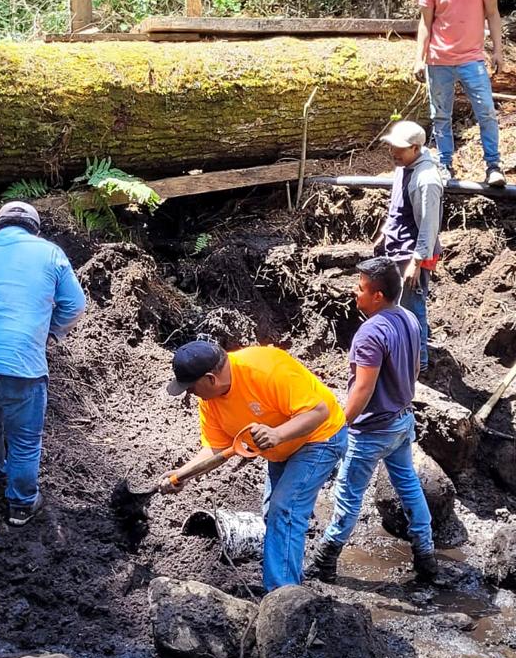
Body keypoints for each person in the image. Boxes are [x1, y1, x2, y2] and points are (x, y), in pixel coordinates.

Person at [165, 340, 347, 592]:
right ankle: (286, 575)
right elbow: (216, 448)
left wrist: (278, 435)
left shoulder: (266, 369)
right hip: (281, 449)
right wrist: (181, 475)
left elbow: (318, 412)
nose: (189, 393)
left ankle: (283, 597)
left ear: (209, 379)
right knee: (271, 514)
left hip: (320, 437)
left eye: (190, 387)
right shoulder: (210, 400)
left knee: (286, 509)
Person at [0, 201, 86, 526]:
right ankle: (22, 504)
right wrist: (48, 332)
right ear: (33, 229)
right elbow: (75, 305)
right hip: (18, 357)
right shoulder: (49, 253)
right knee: (24, 437)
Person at [311, 257, 437, 586]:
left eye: (361, 288)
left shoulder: (370, 333)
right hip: (402, 421)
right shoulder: (409, 317)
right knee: (409, 486)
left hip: (370, 430)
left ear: (377, 295)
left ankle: (325, 561)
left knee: (348, 496)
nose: (355, 293)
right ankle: (426, 557)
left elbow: (363, 389)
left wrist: (338, 425)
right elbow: (418, 364)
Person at [414, 0, 505, 186]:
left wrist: (498, 50)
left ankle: (493, 166)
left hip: (472, 59)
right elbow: (425, 22)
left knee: (486, 111)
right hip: (438, 60)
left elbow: (493, 14)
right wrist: (419, 58)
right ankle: (444, 166)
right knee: (440, 115)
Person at [375, 119, 443, 374]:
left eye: (399, 149)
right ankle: (402, 352)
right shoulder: (405, 165)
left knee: (412, 307)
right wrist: (385, 232)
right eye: (392, 147)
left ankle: (418, 364)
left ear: (415, 148)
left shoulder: (427, 180)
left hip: (412, 253)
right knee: (397, 304)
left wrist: (416, 263)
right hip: (397, 245)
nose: (394, 153)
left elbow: (429, 225)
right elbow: (397, 207)